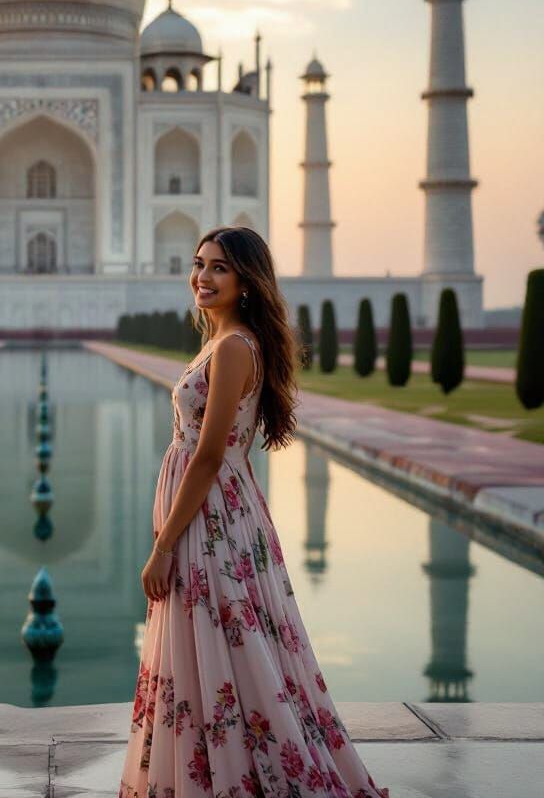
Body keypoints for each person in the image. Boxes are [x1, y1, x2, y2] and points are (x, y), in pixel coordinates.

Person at [119, 226, 387, 798]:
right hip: (210, 517)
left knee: (228, 645)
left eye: (219, 267)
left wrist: (164, 546)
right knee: (218, 648)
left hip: (210, 525)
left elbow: (211, 454)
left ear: (246, 281)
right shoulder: (222, 343)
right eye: (199, 264)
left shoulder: (235, 347)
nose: (203, 277)